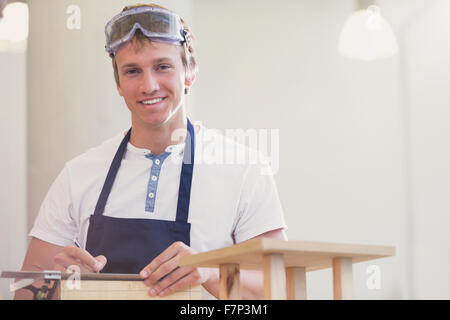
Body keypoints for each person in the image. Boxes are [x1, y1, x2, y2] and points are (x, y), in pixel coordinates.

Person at [15, 3, 287, 300]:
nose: (149, 85)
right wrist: (60, 289)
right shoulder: (78, 174)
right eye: (132, 71)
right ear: (118, 83)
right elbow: (26, 293)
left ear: (190, 72)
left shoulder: (245, 170)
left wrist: (210, 273)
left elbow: (281, 291)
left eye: (163, 66)